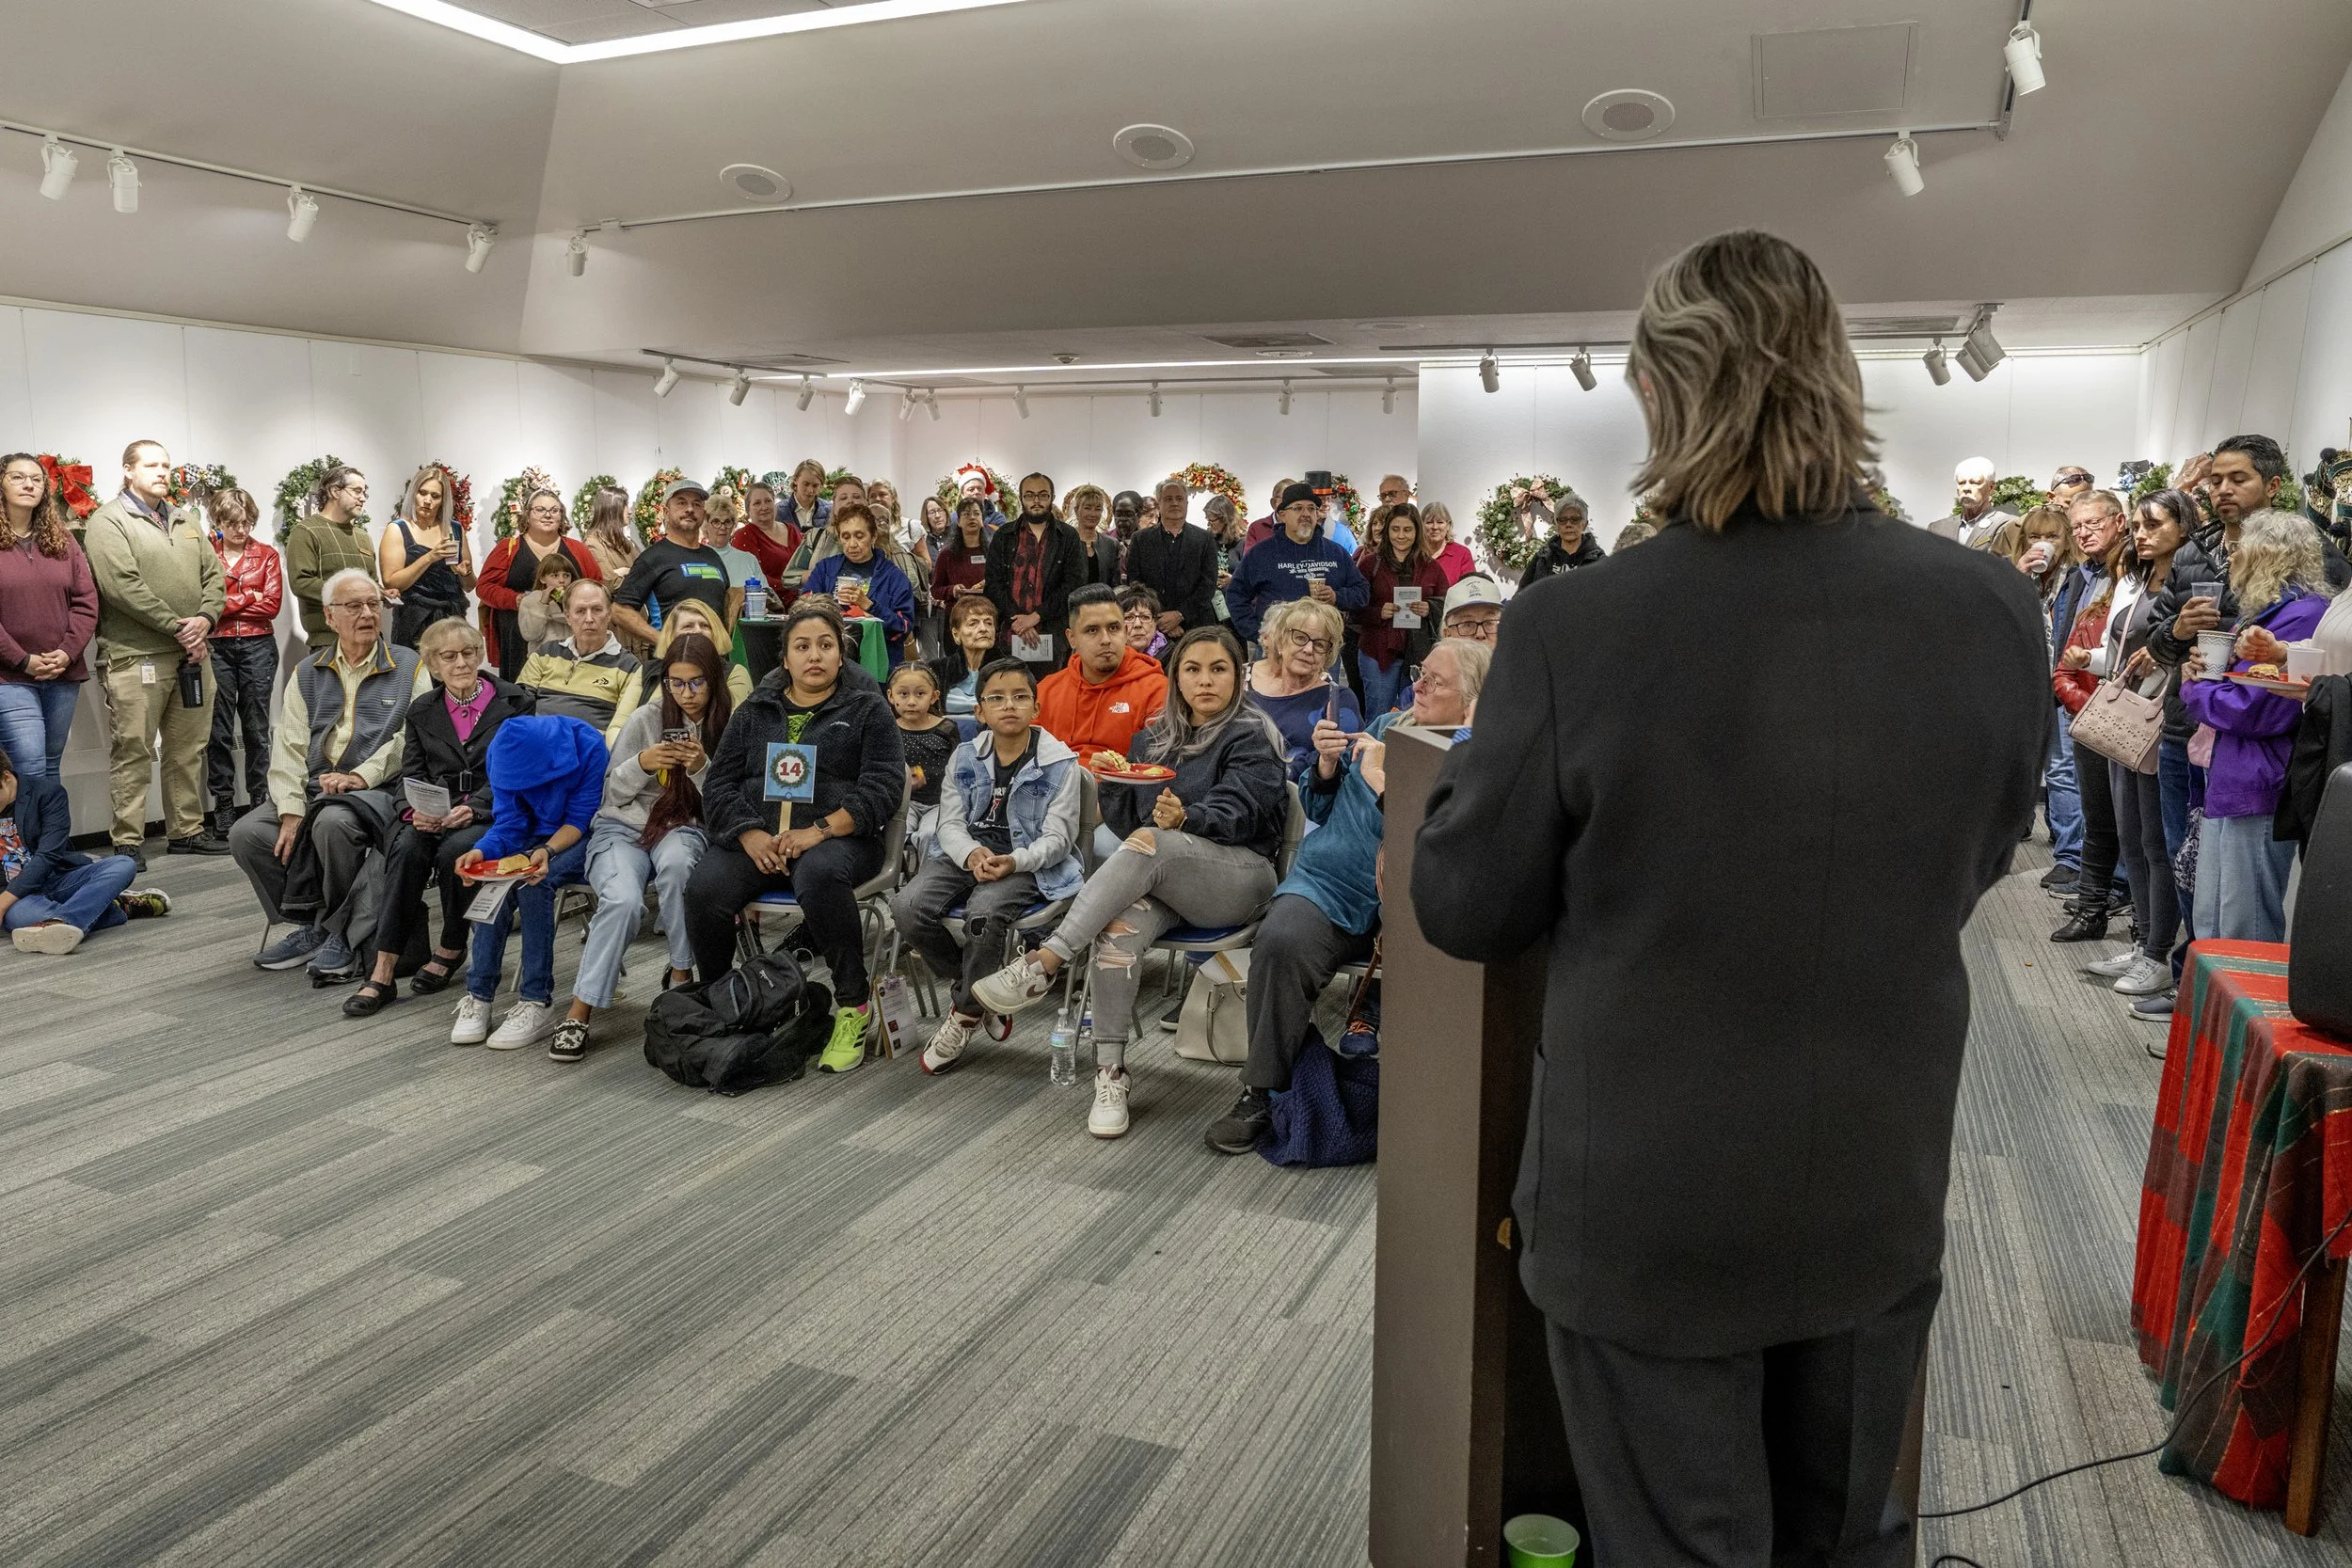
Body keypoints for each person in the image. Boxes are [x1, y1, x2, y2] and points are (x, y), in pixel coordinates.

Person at [1412, 229, 2049, 1568]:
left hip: (1647, 1200)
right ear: (1841, 378)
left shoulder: (1572, 626)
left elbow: (1468, 905)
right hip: (1878, 1171)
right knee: (1853, 1536)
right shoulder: (1993, 605)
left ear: (1661, 391)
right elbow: (1985, 852)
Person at [974, 627, 1289, 1139]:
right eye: (1192, 669)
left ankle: (1046, 960)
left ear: (1239, 675)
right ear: (1175, 677)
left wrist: (1188, 817)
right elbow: (1131, 825)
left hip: (1239, 876)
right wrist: (1112, 786)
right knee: (1117, 930)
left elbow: (1244, 813)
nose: (1205, 680)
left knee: (1155, 843)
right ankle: (1110, 1072)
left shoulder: (1253, 735)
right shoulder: (1151, 737)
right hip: (1165, 877)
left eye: (1219, 669)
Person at [1204, 638, 1487, 1155]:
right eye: (1420, 672)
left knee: (1443, 963)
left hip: (1415, 901)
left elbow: (1449, 842)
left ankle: (1428, 1107)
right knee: (1281, 942)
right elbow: (1316, 801)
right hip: (1330, 879)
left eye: (1434, 682)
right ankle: (1263, 1090)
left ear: (1471, 700)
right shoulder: (1385, 728)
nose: (1416, 684)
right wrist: (1328, 768)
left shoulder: (1478, 759)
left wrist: (1385, 781)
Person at [687, 597, 904, 1073]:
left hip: (841, 841)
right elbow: (719, 784)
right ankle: (724, 998)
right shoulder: (754, 711)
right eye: (802, 646)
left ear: (841, 654)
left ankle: (853, 1006)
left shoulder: (868, 709)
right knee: (705, 888)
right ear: (784, 658)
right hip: (760, 840)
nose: (814, 655)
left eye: (825, 645)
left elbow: (885, 789)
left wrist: (820, 830)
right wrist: (748, 834)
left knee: (820, 873)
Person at [541, 630, 734, 1060]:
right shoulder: (646, 718)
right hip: (623, 827)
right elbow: (611, 796)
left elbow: (727, 804)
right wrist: (643, 763)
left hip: (685, 826)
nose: (686, 693)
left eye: (697, 682)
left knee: (680, 867)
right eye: (676, 683)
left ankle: (682, 978)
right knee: (624, 900)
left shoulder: (730, 721)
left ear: (715, 680)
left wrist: (703, 767)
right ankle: (579, 1010)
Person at [232, 568, 429, 983]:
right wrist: (289, 808)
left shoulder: (409, 665)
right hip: (314, 788)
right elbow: (287, 746)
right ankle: (313, 923)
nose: (367, 613)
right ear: (330, 616)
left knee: (334, 824)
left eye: (374, 604)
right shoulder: (309, 671)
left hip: (378, 789)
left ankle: (338, 933)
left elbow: (410, 739)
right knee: (248, 833)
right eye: (353, 606)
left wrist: (362, 775)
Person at [893, 658, 1085, 1069]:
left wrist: (1013, 861)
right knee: (906, 907)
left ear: (1036, 708)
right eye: (995, 698)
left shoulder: (1059, 762)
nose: (1008, 706)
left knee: (983, 913)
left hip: (1027, 863)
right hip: (966, 857)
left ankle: (964, 1014)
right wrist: (969, 853)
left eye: (1019, 697)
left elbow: (1057, 840)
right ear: (978, 712)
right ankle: (980, 990)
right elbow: (950, 823)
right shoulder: (964, 756)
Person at [342, 618, 533, 1016]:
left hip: (491, 808)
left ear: (480, 656)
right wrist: (415, 810)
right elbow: (410, 773)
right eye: (449, 657)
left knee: (458, 851)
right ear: (433, 665)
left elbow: (519, 770)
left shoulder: (516, 702)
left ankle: (450, 945)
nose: (461, 663)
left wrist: (475, 806)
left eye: (468, 654)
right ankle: (384, 967)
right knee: (407, 847)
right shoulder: (422, 709)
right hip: (434, 810)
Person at [2179, 510, 2334, 943]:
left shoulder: (2302, 615)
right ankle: (2204, 1011)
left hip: (2260, 777)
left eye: (2237, 548)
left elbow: (2256, 710)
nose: (2231, 558)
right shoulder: (2271, 612)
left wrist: (2195, 688)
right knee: (2212, 915)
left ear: (2269, 554)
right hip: (2236, 773)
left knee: (2243, 923)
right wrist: (2210, 673)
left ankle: (2237, 1012)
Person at [84, 440, 227, 867]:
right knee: (134, 749)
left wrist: (205, 619)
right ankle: (127, 841)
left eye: (166, 465)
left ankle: (186, 831)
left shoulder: (185, 519)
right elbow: (121, 587)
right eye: (151, 465)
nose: (162, 471)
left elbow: (214, 576)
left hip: (194, 654)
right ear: (129, 470)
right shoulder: (108, 521)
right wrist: (179, 626)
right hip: (135, 656)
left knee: (188, 749)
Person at [2081, 492, 2194, 1004]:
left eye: (2156, 524)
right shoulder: (2135, 579)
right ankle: (2141, 940)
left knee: (2156, 841)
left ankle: (2158, 952)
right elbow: (2119, 648)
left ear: (2183, 526)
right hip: (2124, 716)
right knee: (2130, 835)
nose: (2142, 533)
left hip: (2159, 720)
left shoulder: (2189, 584)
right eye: (2139, 525)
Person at [447, 713, 609, 1050]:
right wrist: (482, 851)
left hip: (583, 835)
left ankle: (537, 1000)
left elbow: (581, 818)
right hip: (535, 838)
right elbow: (509, 822)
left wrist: (546, 850)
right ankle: (479, 994)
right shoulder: (501, 755)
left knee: (534, 883)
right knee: (495, 882)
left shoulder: (588, 745)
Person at [2048, 492, 2135, 942]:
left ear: (2120, 523)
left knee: (2133, 827)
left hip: (2130, 714)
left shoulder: (2133, 575)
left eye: (2092, 524)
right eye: (2076, 525)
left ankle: (2141, 930)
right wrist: (2070, 693)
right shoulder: (2085, 576)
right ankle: (2093, 906)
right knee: (2099, 817)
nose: (2082, 533)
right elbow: (2071, 648)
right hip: (2088, 708)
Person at [0, 748, 167, 956]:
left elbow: (48, 856)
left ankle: (63, 920)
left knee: (123, 864)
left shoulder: (47, 793)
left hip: (58, 878)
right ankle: (112, 906)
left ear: (6, 777)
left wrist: (3, 902)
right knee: (20, 918)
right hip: (18, 895)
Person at [0, 452, 98, 787]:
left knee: (52, 765)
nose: (28, 484)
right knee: (29, 765)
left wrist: (68, 652)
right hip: (10, 676)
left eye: (36, 479)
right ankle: (27, 841)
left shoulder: (63, 540)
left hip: (62, 672)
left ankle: (51, 842)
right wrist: (22, 660)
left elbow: (86, 602)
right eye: (17, 477)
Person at [2008, 503, 2086, 892]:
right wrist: (2017, 578)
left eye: (2051, 536)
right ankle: (2060, 841)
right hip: (2024, 685)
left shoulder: (2077, 579)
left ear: (2065, 540)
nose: (2042, 544)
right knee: (2028, 767)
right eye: (2034, 537)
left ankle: (2071, 857)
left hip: (2060, 686)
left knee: (2061, 769)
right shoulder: (2018, 576)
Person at [203, 486, 280, 841]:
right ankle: (222, 802)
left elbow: (273, 606)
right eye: (233, 523)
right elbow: (200, 601)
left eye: (247, 522)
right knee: (217, 730)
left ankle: (260, 800)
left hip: (258, 645)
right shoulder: (204, 552)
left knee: (256, 728)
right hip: (215, 646)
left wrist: (223, 602)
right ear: (218, 521)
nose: (241, 530)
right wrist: (251, 594)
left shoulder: (266, 555)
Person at [477, 488, 601, 679]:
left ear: (562, 516)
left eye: (554, 510)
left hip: (567, 632)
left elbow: (596, 584)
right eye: (540, 509)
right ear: (528, 515)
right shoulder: (508, 548)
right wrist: (516, 600)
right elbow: (484, 587)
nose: (548, 515)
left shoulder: (578, 549)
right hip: (519, 633)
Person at [1228, 483, 1370, 647]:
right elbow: (1235, 595)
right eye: (1297, 508)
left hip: (1322, 646)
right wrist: (1258, 632)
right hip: (1277, 646)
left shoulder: (1335, 553)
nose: (1306, 514)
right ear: (1282, 515)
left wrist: (1337, 597)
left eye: (1311, 509)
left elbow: (1362, 592)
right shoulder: (1261, 553)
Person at [1035, 584, 1166, 761]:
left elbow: (1156, 764)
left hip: (1124, 786)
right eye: (1092, 630)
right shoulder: (1046, 690)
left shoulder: (1156, 689)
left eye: (1113, 628)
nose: (1105, 640)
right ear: (1071, 638)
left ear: (1125, 632)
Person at [518, 578, 643, 744]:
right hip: (538, 746)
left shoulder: (629, 667)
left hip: (589, 755)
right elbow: (520, 707)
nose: (589, 619)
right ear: (568, 617)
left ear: (609, 615)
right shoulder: (545, 653)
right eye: (580, 611)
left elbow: (623, 729)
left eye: (597, 610)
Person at [614, 479, 731, 652]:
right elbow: (620, 611)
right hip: (672, 665)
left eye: (696, 504)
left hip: (714, 661)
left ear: (703, 513)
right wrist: (664, 642)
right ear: (666, 512)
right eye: (681, 503)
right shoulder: (652, 558)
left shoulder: (712, 557)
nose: (690, 509)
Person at [1248, 597, 1360, 776]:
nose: (1309, 649)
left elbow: (1345, 766)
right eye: (1300, 638)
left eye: (1319, 644)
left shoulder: (1339, 700)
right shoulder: (1247, 693)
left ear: (1328, 655)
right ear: (1281, 641)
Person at [1355, 501, 1445, 719]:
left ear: (1417, 532)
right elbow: (1353, 609)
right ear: (1387, 531)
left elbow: (1447, 604)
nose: (1401, 536)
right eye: (1395, 529)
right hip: (1378, 653)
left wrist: (1429, 607)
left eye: (1407, 530)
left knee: (1415, 715)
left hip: (1418, 655)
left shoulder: (1431, 566)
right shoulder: (1370, 564)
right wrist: (1378, 612)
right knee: (1379, 716)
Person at [985, 472, 1085, 665]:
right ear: (1021, 498)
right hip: (1009, 635)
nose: (1036, 501)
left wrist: (1036, 617)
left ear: (1052, 498)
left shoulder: (1068, 536)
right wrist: (1019, 621)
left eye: (1043, 495)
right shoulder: (1004, 536)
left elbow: (1074, 584)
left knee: (1051, 693)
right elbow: (993, 585)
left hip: (1053, 637)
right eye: (1029, 495)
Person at [803, 502, 916, 666]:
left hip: (877, 664)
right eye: (846, 537)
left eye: (859, 536)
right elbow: (804, 605)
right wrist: (828, 608)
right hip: (828, 661)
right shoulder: (825, 568)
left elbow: (904, 628)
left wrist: (869, 606)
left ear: (873, 537)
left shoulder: (894, 578)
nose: (852, 544)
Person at [284, 466, 378, 656]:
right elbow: (301, 583)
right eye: (357, 491)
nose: (363, 498)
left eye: (364, 493)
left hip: (370, 641)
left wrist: (380, 591)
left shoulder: (363, 536)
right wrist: (351, 595)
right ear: (335, 491)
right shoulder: (306, 532)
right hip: (329, 643)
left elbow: (372, 582)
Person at [380, 464, 474, 649]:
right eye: (422, 493)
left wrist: (465, 572)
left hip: (452, 618)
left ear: (443, 500)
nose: (427, 500)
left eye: (435, 496)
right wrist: (430, 557)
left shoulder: (454, 528)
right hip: (414, 619)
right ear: (413, 493)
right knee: (417, 676)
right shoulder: (398, 529)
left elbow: (470, 586)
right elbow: (391, 583)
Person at [1121, 478, 1219, 636]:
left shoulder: (1205, 539)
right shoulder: (1140, 539)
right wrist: (1160, 618)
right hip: (1153, 626)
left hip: (1197, 626)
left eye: (1179, 499)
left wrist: (1180, 615)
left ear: (1186, 504)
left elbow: (1208, 584)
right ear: (1159, 504)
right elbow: (1135, 583)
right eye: (1168, 499)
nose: (1174, 503)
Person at [636, 597, 755, 711]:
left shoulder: (734, 673)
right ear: (671, 634)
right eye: (688, 626)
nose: (698, 630)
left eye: (705, 626)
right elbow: (619, 724)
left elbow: (736, 725)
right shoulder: (646, 671)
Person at [888, 662, 959, 821]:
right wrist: (904, 783)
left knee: (930, 834)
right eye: (903, 694)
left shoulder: (946, 729)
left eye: (920, 694)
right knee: (898, 831)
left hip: (939, 804)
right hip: (902, 803)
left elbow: (957, 769)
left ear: (934, 696)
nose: (912, 701)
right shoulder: (889, 730)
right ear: (891, 696)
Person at [1928, 456, 2019, 550]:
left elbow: (1997, 563)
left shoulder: (2008, 524)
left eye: (1974, 482)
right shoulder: (1936, 528)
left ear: (1991, 487)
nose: (1966, 488)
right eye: (1961, 482)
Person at [732, 478, 800, 600]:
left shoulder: (792, 530)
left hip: (803, 601)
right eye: (757, 503)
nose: (764, 507)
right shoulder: (744, 536)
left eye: (768, 501)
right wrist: (794, 583)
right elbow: (752, 577)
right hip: (766, 606)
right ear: (748, 510)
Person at [1518, 492, 1606, 586]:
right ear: (1556, 525)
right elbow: (1522, 593)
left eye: (1575, 519)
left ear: (1584, 525)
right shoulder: (1543, 557)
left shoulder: (1598, 560)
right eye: (1562, 520)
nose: (1568, 524)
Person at [578, 483, 641, 614]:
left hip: (636, 615)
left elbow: (646, 573)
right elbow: (609, 584)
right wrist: (632, 573)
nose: (630, 511)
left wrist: (624, 572)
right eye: (625, 505)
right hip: (614, 619)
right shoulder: (593, 543)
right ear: (612, 509)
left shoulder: (626, 542)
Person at [930, 496, 994, 624]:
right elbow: (935, 590)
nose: (972, 518)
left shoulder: (993, 551)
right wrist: (952, 590)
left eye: (976, 514)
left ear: (982, 520)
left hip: (987, 616)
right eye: (966, 514)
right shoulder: (947, 554)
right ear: (958, 521)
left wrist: (989, 583)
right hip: (957, 618)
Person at [935, 594, 1000, 717]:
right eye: (973, 623)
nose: (983, 629)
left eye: (988, 623)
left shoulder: (1010, 669)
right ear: (956, 634)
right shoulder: (939, 669)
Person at [516, 551, 577, 649]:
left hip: (572, 657)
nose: (562, 580)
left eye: (566, 575)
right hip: (543, 657)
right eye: (555, 575)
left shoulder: (576, 599)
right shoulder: (530, 600)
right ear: (542, 579)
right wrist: (542, 605)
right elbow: (530, 635)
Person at [1068, 484, 1120, 587]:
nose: (1093, 514)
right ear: (1076, 510)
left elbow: (1115, 584)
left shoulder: (1111, 545)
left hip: (1103, 602)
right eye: (1087, 508)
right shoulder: (1065, 542)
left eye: (1098, 509)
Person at [1420, 501, 1477, 587]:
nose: (1435, 527)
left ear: (1448, 525)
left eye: (1440, 522)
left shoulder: (1462, 554)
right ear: (1421, 525)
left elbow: (1469, 590)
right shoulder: (1414, 552)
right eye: (1429, 522)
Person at [1118, 586, 1169, 664]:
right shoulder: (1110, 661)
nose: (1137, 624)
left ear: (1155, 622)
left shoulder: (1172, 659)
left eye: (1145, 617)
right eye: (1129, 617)